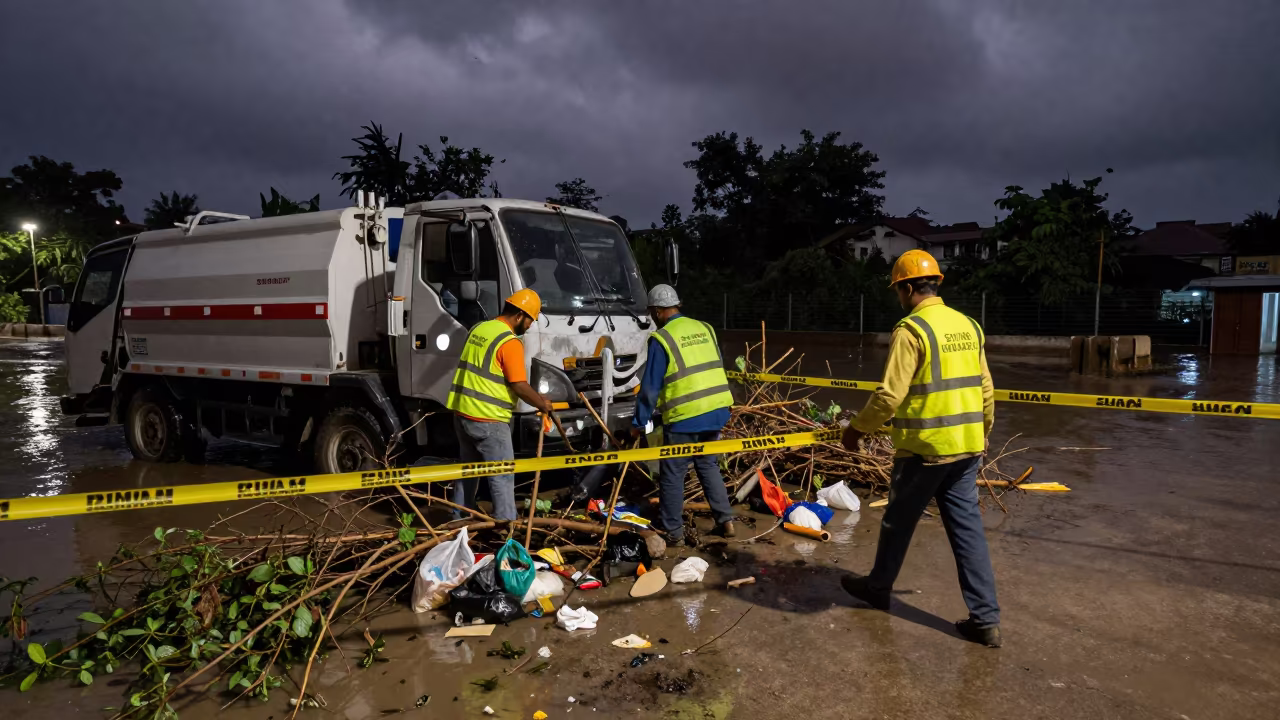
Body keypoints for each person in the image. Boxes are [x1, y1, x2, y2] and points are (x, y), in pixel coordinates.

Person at [839, 249, 1002, 648]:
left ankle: (878, 588)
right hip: (966, 449)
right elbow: (986, 390)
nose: (898, 296)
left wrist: (856, 431)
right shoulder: (969, 325)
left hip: (925, 450)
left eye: (898, 289)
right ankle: (985, 620)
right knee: (968, 534)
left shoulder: (911, 330)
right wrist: (983, 434)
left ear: (909, 288)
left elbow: (889, 396)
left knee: (897, 523)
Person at [631, 284, 737, 545]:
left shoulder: (662, 338)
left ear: (657, 311)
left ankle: (673, 532)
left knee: (673, 473)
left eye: (652, 314)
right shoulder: (705, 328)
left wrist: (638, 424)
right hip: (716, 411)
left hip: (685, 417)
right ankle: (726, 521)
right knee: (708, 465)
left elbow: (650, 388)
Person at [446, 288, 553, 521]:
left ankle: (459, 522)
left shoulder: (479, 328)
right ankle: (507, 530)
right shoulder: (510, 342)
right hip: (489, 420)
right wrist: (543, 403)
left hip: (462, 415)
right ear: (519, 315)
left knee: (468, 473)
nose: (529, 326)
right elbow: (519, 385)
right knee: (502, 478)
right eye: (530, 321)